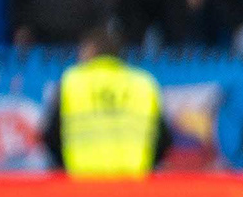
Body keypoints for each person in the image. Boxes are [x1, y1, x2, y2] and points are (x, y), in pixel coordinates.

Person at [40, 28, 165, 177]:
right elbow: (163, 139)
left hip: (83, 183)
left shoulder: (72, 81)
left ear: (92, 50)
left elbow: (52, 136)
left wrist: (66, 168)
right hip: (132, 183)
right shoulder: (144, 83)